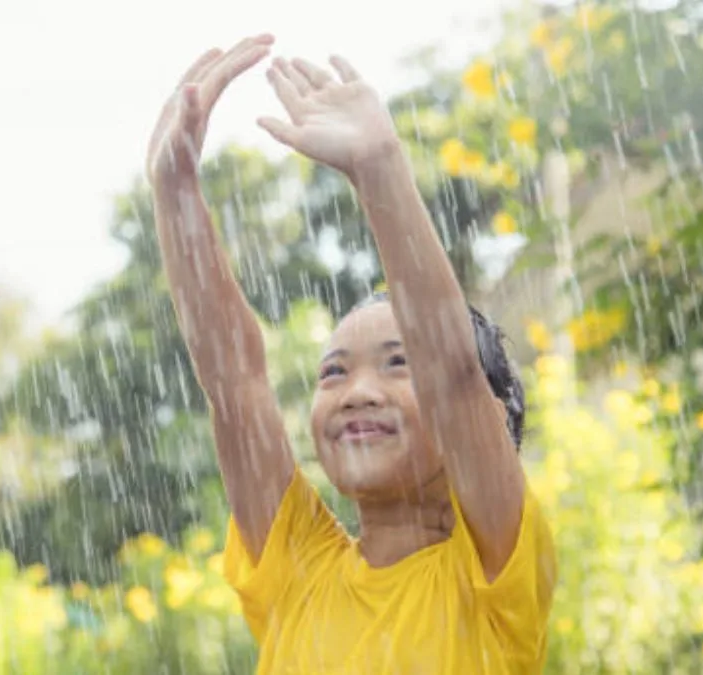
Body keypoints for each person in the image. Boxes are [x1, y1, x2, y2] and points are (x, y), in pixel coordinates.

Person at [144, 34, 557, 674]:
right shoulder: (298, 573)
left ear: (491, 426)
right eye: (332, 372)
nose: (356, 391)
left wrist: (380, 167)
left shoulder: (494, 574)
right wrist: (175, 194)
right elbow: (236, 383)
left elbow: (452, 375)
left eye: (399, 363)